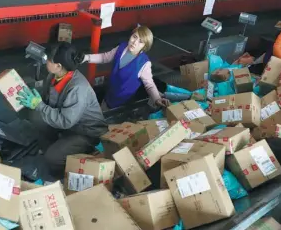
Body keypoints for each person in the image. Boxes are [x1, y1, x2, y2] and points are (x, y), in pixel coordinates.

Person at [16, 42, 108, 180]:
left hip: (86, 132)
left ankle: (63, 173)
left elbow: (65, 121)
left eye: (49, 59)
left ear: (58, 66)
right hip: (69, 125)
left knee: (52, 157)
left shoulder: (77, 88)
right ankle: (57, 146)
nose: (46, 60)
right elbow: (48, 102)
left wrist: (39, 105)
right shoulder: (54, 76)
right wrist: (34, 101)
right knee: (35, 115)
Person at [83, 25, 170, 110]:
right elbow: (104, 57)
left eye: (140, 41)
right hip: (109, 95)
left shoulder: (144, 63)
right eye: (134, 36)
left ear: (144, 46)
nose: (135, 42)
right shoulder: (121, 47)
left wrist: (157, 99)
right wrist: (86, 57)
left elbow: (149, 85)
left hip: (124, 105)